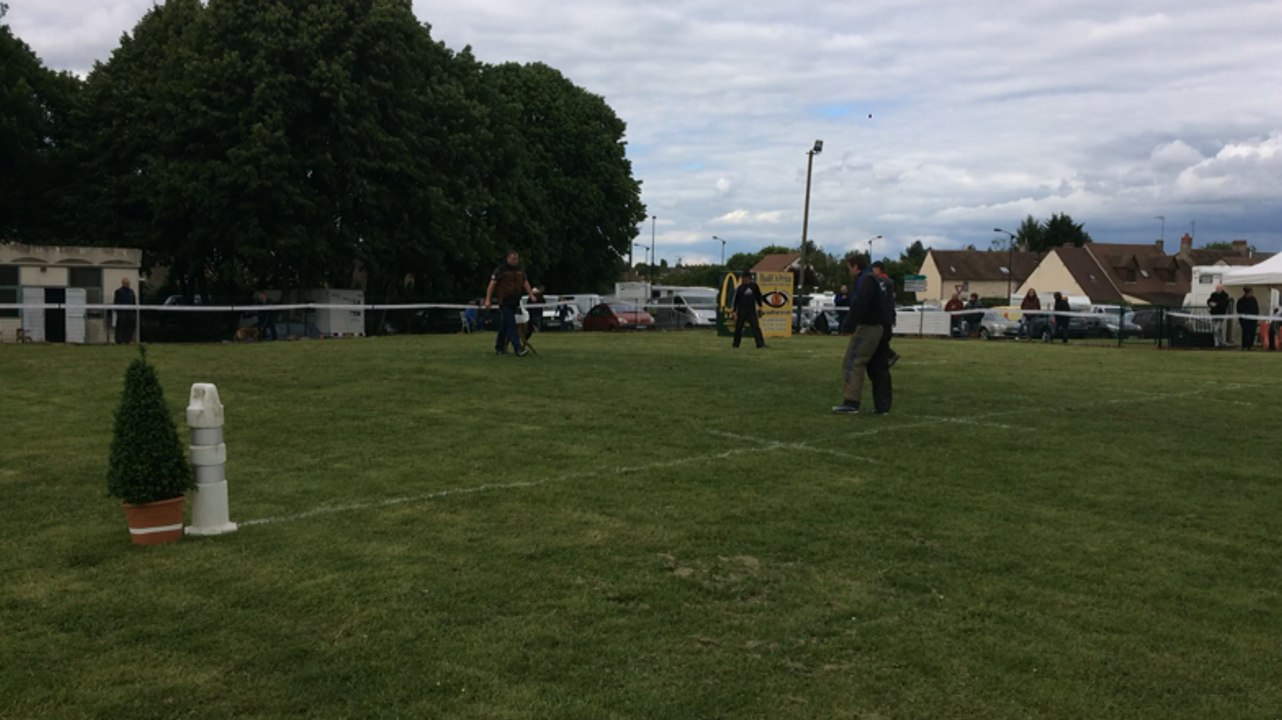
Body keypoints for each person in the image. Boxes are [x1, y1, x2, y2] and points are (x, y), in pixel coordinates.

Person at [832, 252, 891, 415]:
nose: (849, 272)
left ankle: (851, 402)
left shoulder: (865, 280)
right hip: (882, 326)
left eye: (849, 268)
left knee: (853, 361)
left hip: (868, 326)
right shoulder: (879, 280)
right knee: (878, 366)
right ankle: (882, 406)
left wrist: (847, 325)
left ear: (855, 267)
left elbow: (860, 303)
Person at [485, 250, 535, 356]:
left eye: (516, 259)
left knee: (505, 324)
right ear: (507, 259)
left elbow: (525, 282)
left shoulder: (520, 269)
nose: (515, 261)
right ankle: (518, 349)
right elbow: (492, 285)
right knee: (511, 324)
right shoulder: (500, 270)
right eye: (513, 259)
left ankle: (499, 347)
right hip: (505, 301)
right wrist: (488, 299)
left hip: (515, 300)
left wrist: (531, 294)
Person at [871, 261, 900, 366]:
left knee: (879, 339)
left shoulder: (879, 281)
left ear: (878, 269)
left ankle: (890, 355)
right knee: (883, 338)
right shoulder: (890, 282)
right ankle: (885, 358)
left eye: (874, 269)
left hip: (881, 316)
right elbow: (891, 301)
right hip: (888, 315)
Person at [731, 271, 767, 348]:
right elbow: (736, 300)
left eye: (744, 278)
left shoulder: (754, 286)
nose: (743, 279)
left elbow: (758, 297)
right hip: (741, 310)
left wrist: (761, 307)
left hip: (751, 310)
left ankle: (760, 344)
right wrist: (734, 311)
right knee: (739, 327)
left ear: (748, 277)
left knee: (755, 326)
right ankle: (736, 344)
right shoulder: (740, 288)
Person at [112, 278, 137, 345]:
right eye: (126, 283)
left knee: (130, 326)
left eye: (128, 283)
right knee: (121, 326)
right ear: (123, 283)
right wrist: (118, 311)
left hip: (130, 312)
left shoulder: (131, 292)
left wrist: (134, 311)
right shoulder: (119, 291)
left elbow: (134, 302)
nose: (128, 284)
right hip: (122, 312)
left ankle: (128, 340)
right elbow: (116, 302)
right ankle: (120, 341)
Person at [1208, 283, 1230, 348]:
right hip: (1214, 315)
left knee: (1217, 329)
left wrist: (1216, 304)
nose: (1217, 289)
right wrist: (1210, 303)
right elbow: (1209, 300)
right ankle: (1217, 342)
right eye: (1216, 288)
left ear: (1221, 288)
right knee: (1216, 329)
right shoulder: (1213, 294)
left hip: (1221, 315)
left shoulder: (1225, 295)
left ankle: (1219, 342)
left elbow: (1224, 304)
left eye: (1218, 288)